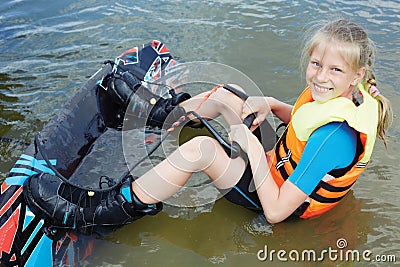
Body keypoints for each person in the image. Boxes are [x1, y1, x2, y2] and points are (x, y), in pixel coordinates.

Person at [25, 19, 392, 232]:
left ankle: (101, 211)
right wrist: (274, 105)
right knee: (230, 95)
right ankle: (160, 118)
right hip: (275, 165)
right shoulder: (341, 93)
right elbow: (302, 124)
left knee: (201, 151)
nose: (320, 76)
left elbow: (278, 212)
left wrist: (250, 149)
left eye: (334, 70)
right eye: (316, 64)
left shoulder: (333, 136)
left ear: (356, 75)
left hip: (276, 198)